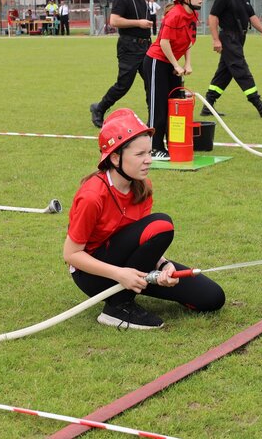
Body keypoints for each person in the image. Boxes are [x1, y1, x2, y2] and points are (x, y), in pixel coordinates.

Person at [64, 108, 225, 329]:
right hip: (93, 276)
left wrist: (163, 265)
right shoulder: (92, 196)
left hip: (129, 268)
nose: (148, 160)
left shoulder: (143, 187)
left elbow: (144, 241)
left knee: (211, 297)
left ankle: (126, 294)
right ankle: (118, 308)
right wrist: (120, 274)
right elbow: (71, 255)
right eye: (140, 155)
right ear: (115, 158)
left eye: (149, 152)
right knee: (162, 225)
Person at [199, 0, 262, 118]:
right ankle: (259, 104)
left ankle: (207, 106)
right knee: (241, 69)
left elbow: (252, 16)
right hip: (228, 37)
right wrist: (215, 40)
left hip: (240, 38)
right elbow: (212, 17)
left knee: (225, 73)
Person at [142, 0, 205, 160]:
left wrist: (187, 63)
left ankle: (175, 144)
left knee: (175, 104)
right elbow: (164, 42)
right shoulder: (175, 14)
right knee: (158, 106)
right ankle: (154, 148)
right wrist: (176, 64)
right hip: (157, 61)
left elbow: (188, 41)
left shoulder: (192, 15)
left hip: (172, 63)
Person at [89, 0, 153, 128]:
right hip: (129, 47)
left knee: (152, 83)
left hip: (146, 46)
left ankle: (153, 118)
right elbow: (114, 21)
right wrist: (138, 23)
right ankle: (99, 108)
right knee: (124, 85)